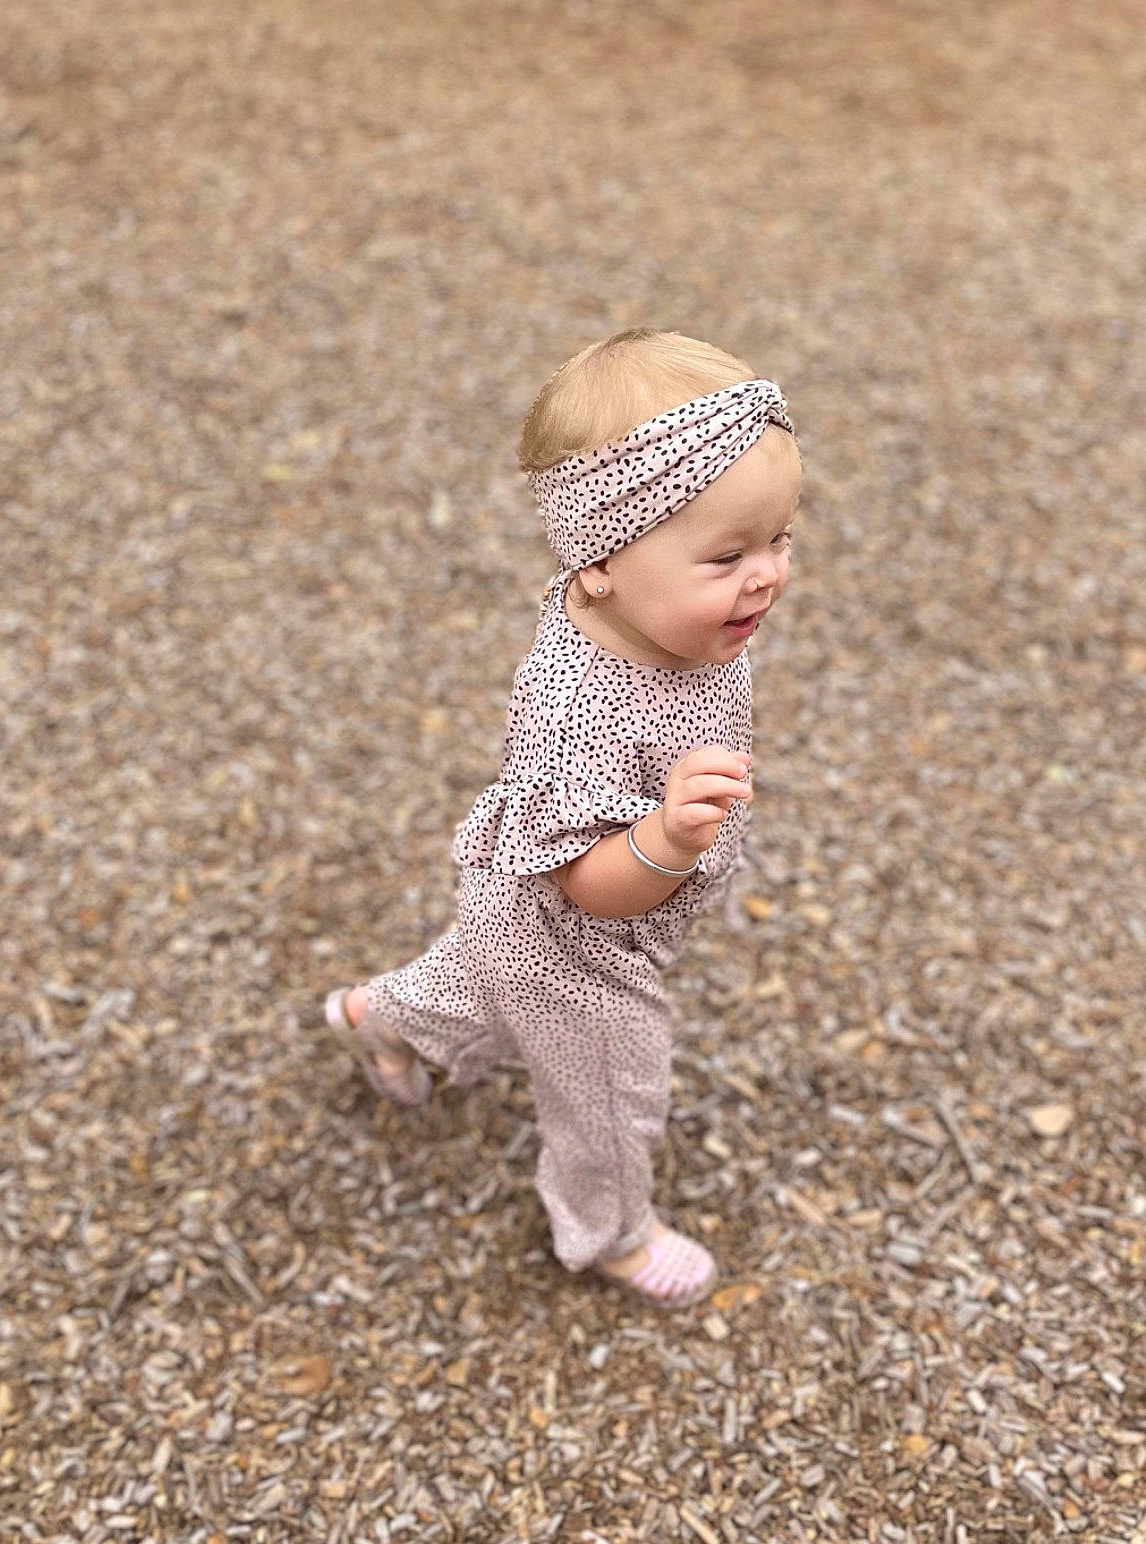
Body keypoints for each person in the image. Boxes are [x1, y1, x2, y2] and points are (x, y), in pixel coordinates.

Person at [327, 329, 800, 1306]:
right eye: (727, 554)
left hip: (514, 909)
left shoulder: (675, 619)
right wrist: (665, 839)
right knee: (607, 1092)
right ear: (599, 564)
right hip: (580, 938)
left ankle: (380, 1018)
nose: (764, 575)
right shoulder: (579, 707)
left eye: (779, 538)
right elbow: (586, 883)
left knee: (485, 986)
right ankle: (610, 1230)